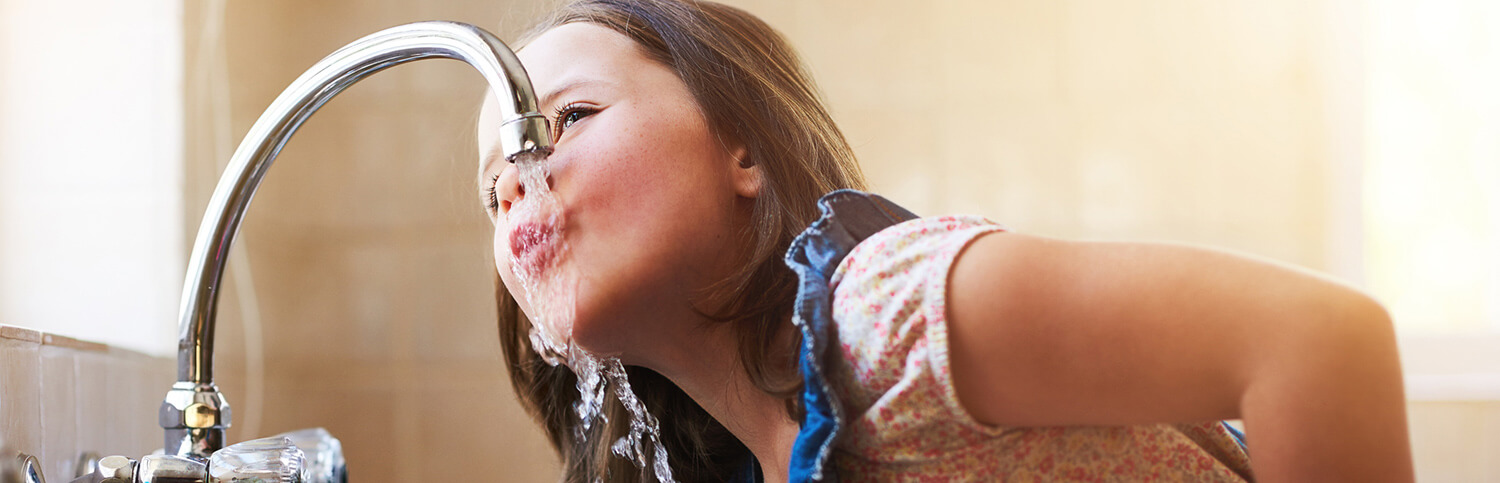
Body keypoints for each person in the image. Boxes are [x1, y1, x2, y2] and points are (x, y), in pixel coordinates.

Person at [474, 0, 1415, 481]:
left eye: (565, 120)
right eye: (491, 191)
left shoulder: (887, 316)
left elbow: (1323, 342)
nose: (519, 179)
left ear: (745, 149)